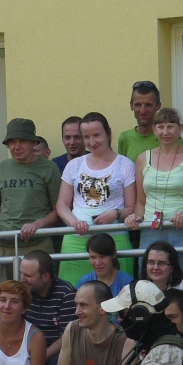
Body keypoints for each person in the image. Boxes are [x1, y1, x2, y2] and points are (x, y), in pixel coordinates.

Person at [124, 107, 183, 284]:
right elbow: (141, 202)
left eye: (170, 126)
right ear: (154, 130)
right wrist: (135, 217)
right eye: (161, 127)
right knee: (149, 287)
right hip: (151, 230)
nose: (165, 132)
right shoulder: (143, 158)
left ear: (180, 129)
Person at [57, 112, 135, 284]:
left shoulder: (125, 165)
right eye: (86, 137)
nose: (92, 142)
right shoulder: (74, 165)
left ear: (108, 133)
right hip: (76, 240)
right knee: (73, 293)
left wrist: (115, 213)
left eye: (97, 135)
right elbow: (62, 204)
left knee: (118, 293)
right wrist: (74, 222)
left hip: (114, 239)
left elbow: (132, 207)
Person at [0, 118, 61, 283]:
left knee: (37, 293)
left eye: (22, 141)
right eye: (12, 142)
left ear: (33, 143)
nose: (16, 146)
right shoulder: (2, 167)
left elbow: (59, 210)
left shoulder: (49, 168)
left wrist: (37, 224)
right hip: (3, 245)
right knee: (5, 295)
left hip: (37, 245)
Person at [19, 250, 76, 365]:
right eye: (21, 273)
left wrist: (41, 357)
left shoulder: (66, 293)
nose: (22, 279)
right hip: (27, 349)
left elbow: (67, 337)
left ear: (45, 276)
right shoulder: (23, 291)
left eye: (28, 275)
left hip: (54, 352)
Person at [140, 240, 183, 328]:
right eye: (151, 262)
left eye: (161, 263)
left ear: (172, 268)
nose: (155, 267)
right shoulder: (139, 289)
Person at [75, 233, 134, 325]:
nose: (97, 263)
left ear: (114, 254)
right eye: (93, 257)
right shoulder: (84, 282)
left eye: (102, 257)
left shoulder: (127, 282)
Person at [117, 81, 163, 163]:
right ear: (131, 105)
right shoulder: (125, 138)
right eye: (138, 105)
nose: (143, 110)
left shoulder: (169, 137)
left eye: (148, 105)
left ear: (158, 106)